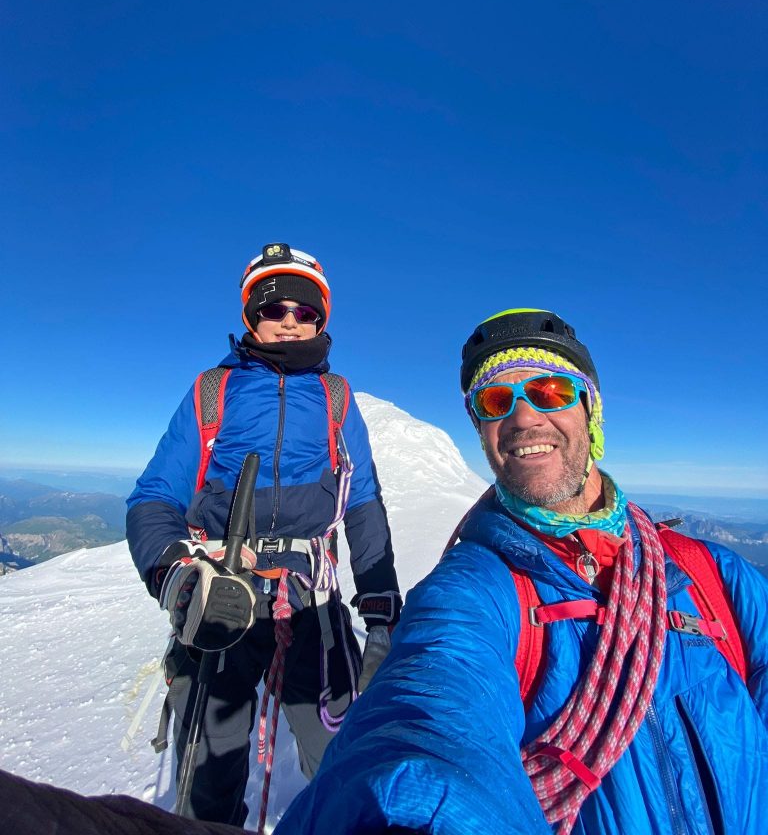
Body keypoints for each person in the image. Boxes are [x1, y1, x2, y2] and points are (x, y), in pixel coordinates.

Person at [275, 309, 768, 835]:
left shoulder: (714, 575)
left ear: (590, 412)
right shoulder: (474, 590)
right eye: (496, 401)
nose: (524, 418)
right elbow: (427, 714)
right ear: (483, 432)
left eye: (551, 391)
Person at [126, 243, 401, 828]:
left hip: (311, 598)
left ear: (320, 320)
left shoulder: (336, 398)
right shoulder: (212, 391)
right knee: (209, 773)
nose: (289, 322)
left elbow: (364, 502)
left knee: (342, 758)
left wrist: (379, 607)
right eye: (274, 309)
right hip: (221, 590)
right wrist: (175, 573)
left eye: (304, 312)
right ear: (251, 316)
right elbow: (155, 497)